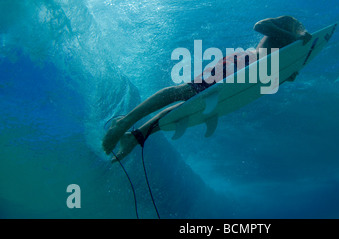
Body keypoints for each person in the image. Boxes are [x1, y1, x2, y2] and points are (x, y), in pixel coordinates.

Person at [102, 16, 312, 162]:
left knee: (192, 107)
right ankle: (125, 121)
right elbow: (259, 26)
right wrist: (294, 35)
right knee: (188, 91)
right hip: (244, 62)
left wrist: (286, 76)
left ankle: (136, 136)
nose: (303, 32)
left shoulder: (296, 49)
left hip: (254, 79)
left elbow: (279, 73)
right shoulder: (289, 23)